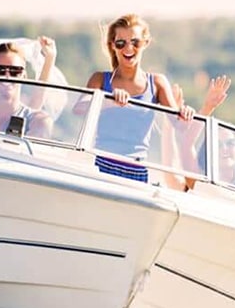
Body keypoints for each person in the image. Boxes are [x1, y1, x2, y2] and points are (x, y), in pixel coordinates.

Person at [73, 13, 196, 183]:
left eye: (135, 42)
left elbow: (180, 125)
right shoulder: (100, 79)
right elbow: (79, 108)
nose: (128, 49)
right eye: (121, 43)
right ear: (113, 46)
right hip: (101, 165)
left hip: (137, 171)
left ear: (145, 43)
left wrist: (186, 113)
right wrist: (108, 101)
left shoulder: (158, 82)